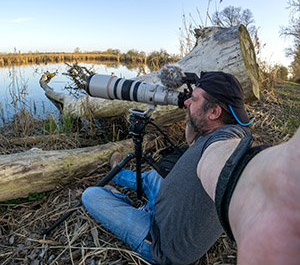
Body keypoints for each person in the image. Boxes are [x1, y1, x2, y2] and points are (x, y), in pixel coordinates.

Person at [82, 71, 300, 265]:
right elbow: (191, 142)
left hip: (159, 242)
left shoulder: (225, 141)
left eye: (193, 100)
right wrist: (193, 110)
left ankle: (129, 201)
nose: (186, 103)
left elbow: (222, 161)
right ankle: (119, 173)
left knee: (91, 195)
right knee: (150, 177)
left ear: (213, 112)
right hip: (168, 206)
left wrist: (244, 184)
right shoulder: (224, 128)